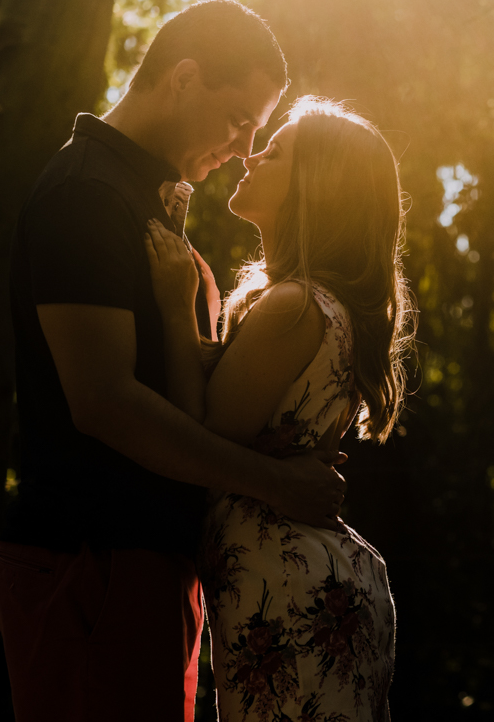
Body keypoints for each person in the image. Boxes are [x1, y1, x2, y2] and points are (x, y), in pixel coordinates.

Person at [0, 0, 348, 722]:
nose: (246, 145)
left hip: (145, 564)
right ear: (185, 78)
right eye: (240, 119)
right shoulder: (87, 195)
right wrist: (275, 483)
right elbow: (103, 401)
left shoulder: (146, 200)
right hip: (89, 563)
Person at [143, 96, 414, 721]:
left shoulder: (294, 307)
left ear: (315, 187)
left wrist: (172, 298)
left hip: (291, 594)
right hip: (307, 582)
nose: (251, 154)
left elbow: (198, 435)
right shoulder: (317, 307)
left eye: (276, 151)